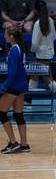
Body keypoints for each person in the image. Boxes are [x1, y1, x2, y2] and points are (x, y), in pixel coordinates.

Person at [28, 0, 56, 112]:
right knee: (34, 76)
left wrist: (32, 51)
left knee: (48, 79)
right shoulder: (51, 20)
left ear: (36, 10)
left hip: (41, 55)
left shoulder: (38, 24)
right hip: (48, 53)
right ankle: (27, 102)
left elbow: (34, 43)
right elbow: (54, 37)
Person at [0, 26, 29, 154]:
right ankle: (24, 144)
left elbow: (12, 73)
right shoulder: (19, 48)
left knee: (1, 112)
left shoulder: (13, 50)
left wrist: (4, 86)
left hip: (14, 85)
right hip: (21, 85)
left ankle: (13, 142)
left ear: (11, 36)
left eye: (5, 34)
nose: (4, 36)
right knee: (18, 115)